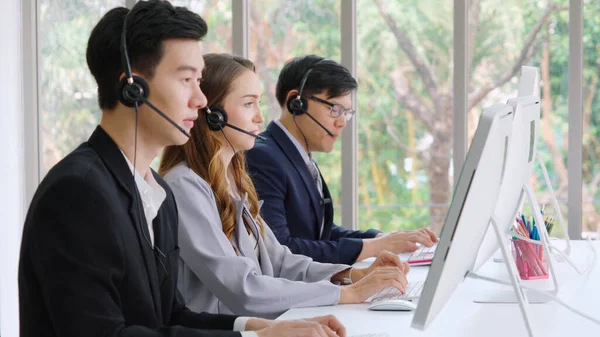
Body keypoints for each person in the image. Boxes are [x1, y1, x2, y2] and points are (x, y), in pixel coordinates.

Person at [18, 2, 346, 337]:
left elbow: (171, 316)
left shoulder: (155, 192)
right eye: (187, 79)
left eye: (200, 81)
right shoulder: (78, 192)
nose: (201, 100)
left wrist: (256, 327)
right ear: (133, 88)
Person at [159, 53, 410, 319]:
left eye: (259, 103)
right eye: (248, 104)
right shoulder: (184, 186)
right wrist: (347, 294)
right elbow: (243, 289)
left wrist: (352, 275)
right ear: (213, 115)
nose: (259, 117)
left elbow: (280, 262)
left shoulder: (234, 180)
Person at [245, 55, 439, 265]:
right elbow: (282, 249)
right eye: (335, 109)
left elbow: (319, 234)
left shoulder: (295, 154)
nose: (342, 122)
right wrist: (374, 247)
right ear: (296, 102)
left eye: (346, 113)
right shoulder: (262, 156)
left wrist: (379, 239)